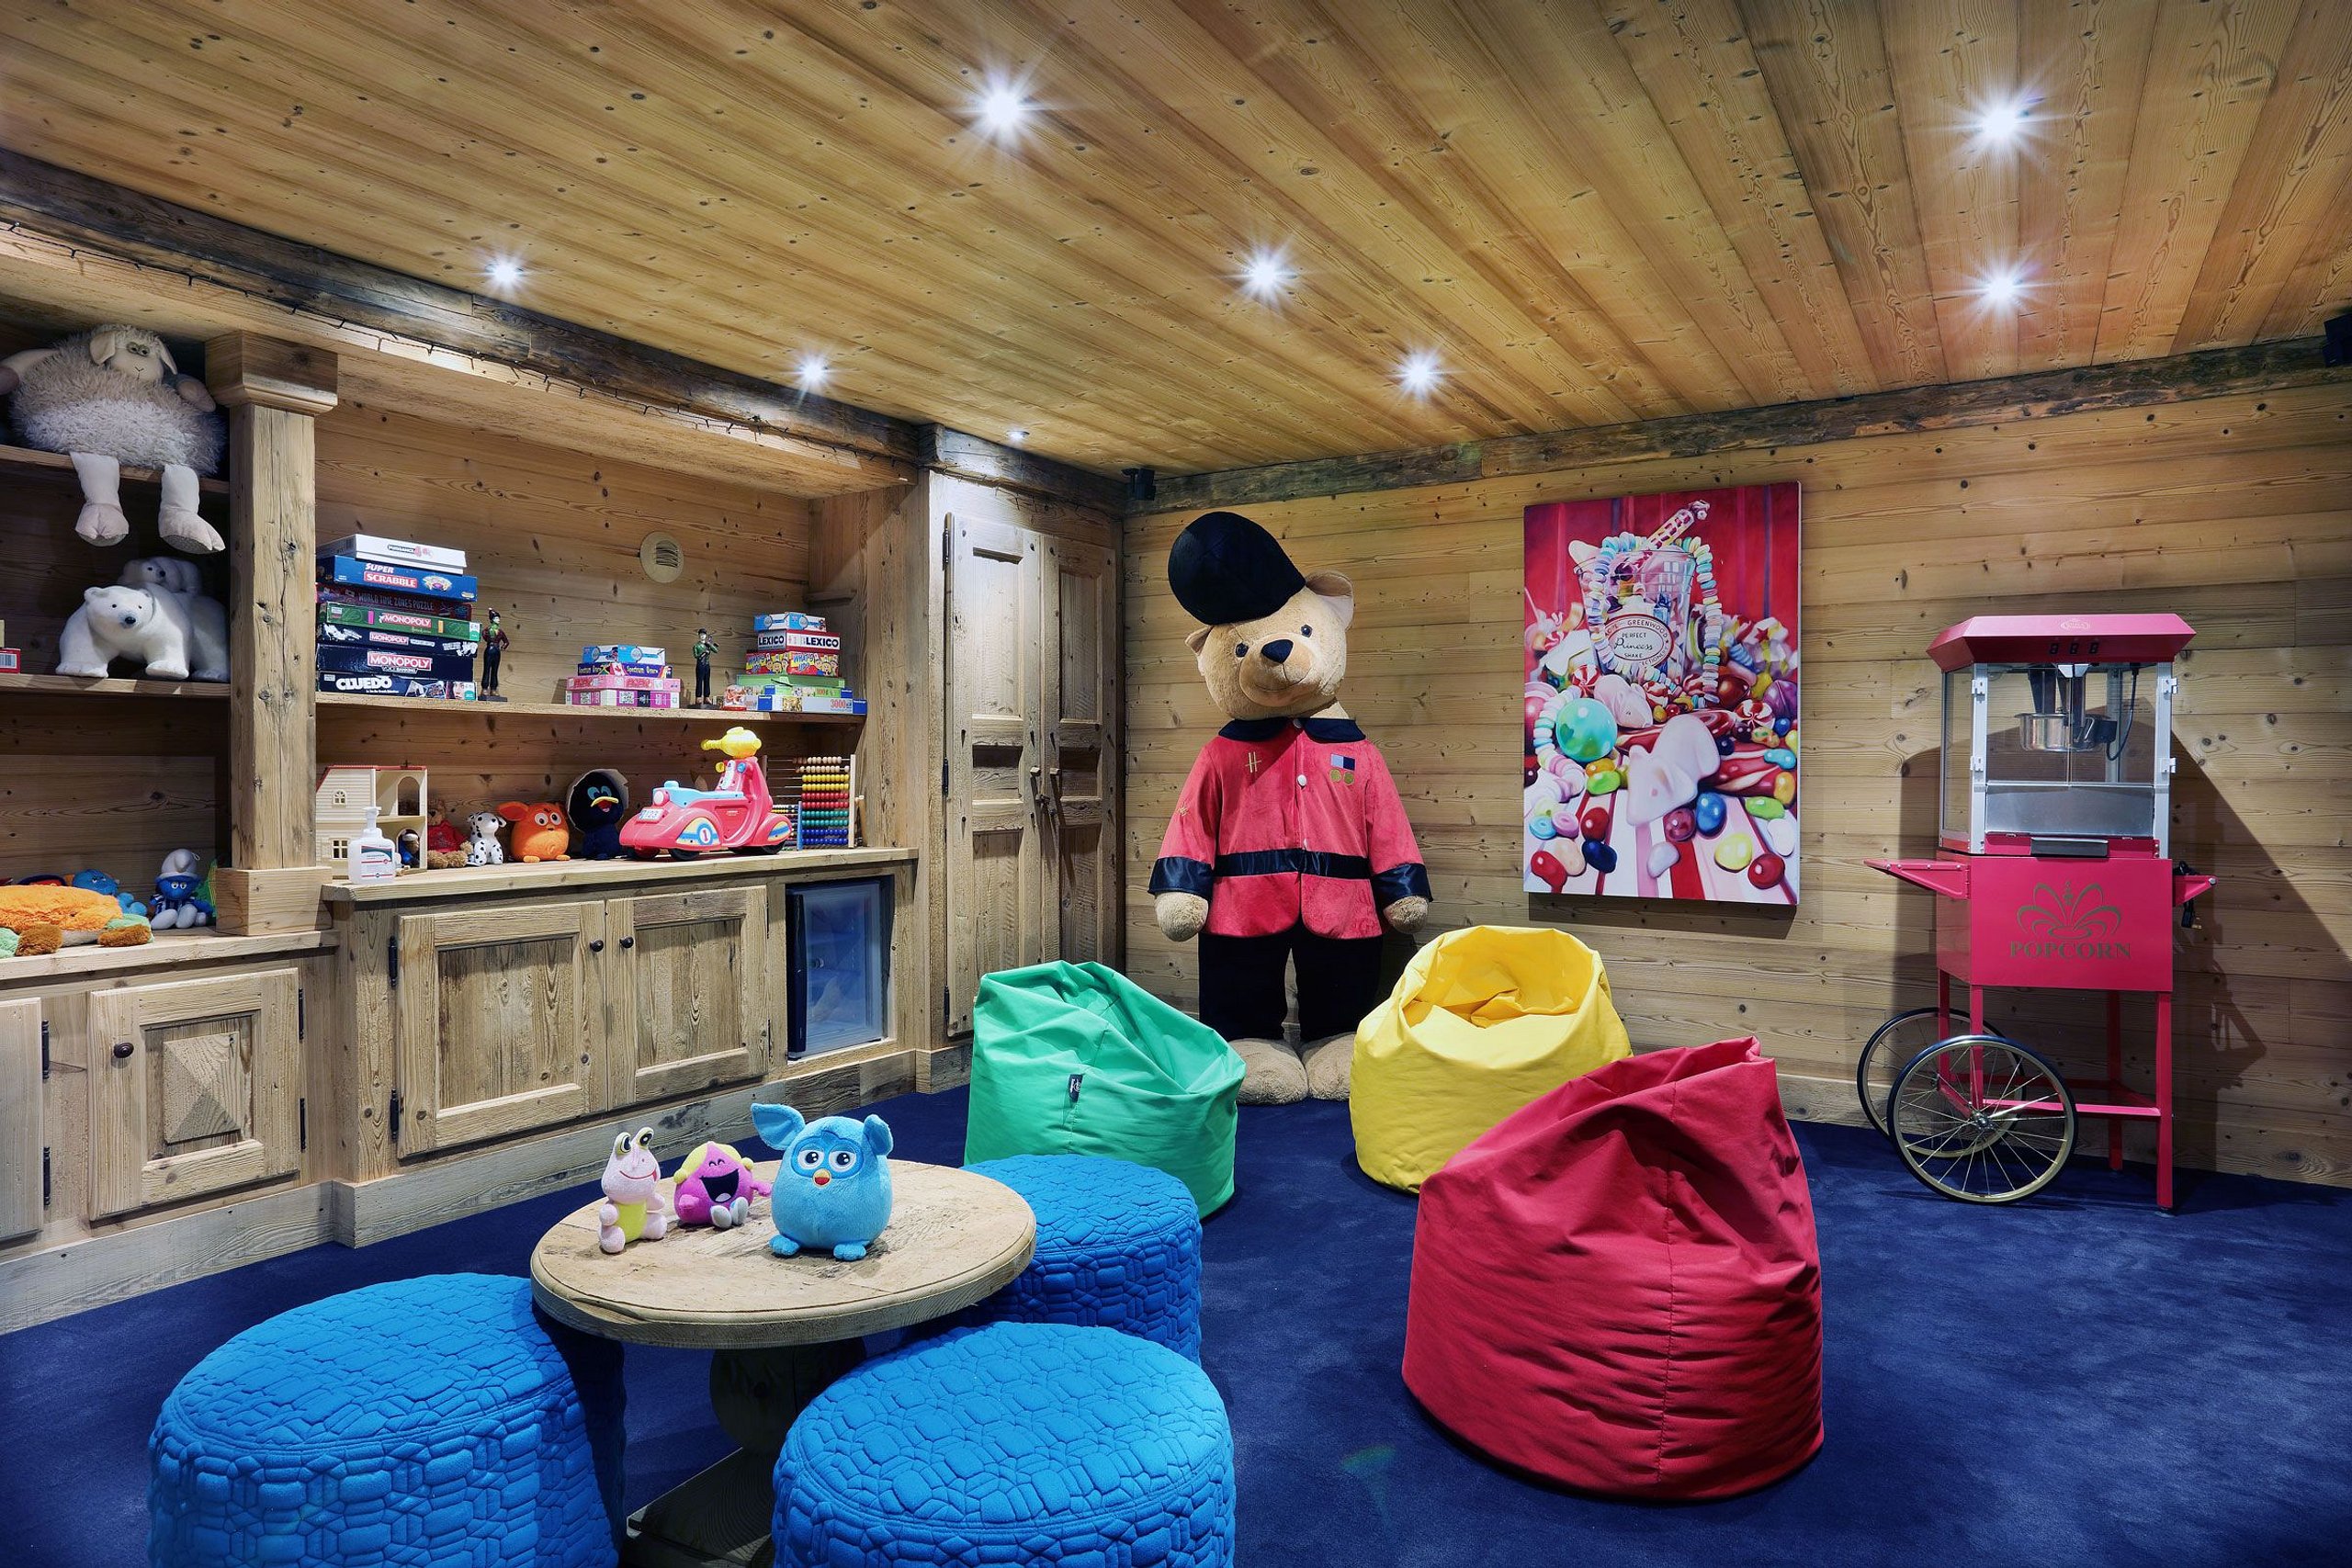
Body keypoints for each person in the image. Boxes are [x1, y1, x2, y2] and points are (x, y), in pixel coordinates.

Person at [480, 608, 510, 701]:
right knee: (486, 669)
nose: (498, 620)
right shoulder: (487, 630)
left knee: (495, 670)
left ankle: (493, 689)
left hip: (497, 650)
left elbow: (506, 641)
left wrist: (503, 647)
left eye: (498, 618)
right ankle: (484, 688)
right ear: (492, 619)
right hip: (490, 648)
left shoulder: (500, 631)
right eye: (496, 618)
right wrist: (489, 642)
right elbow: (483, 635)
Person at [693, 626, 718, 707]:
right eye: (701, 635)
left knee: (707, 681)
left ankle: (706, 697)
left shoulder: (708, 644)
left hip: (707, 665)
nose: (702, 636)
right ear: (699, 636)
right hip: (700, 665)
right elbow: (696, 656)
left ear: (706, 636)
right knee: (699, 681)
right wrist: (703, 652)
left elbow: (716, 651)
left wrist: (710, 645)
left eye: (704, 635)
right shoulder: (696, 646)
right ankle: (698, 697)